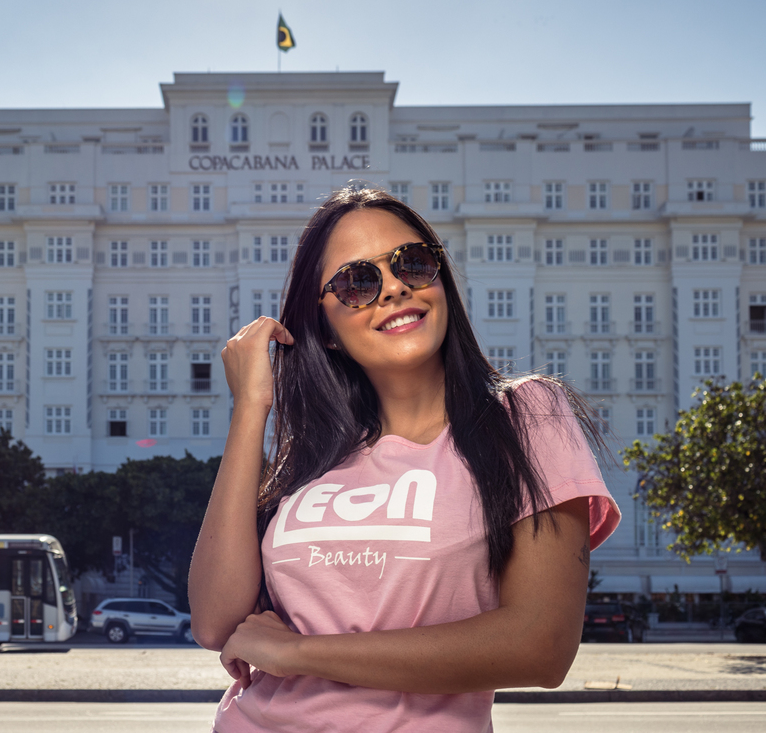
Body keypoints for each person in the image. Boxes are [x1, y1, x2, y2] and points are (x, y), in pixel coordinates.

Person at [189, 185, 620, 732]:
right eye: (357, 283)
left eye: (412, 264)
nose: (393, 288)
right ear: (326, 331)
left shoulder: (526, 416)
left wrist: (298, 653)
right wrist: (251, 407)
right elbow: (214, 622)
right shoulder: (315, 457)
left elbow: (541, 645)